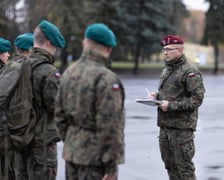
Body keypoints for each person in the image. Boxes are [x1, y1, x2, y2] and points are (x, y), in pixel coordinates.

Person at [54, 23, 125, 180]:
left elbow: (59, 115)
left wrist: (73, 141)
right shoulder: (106, 78)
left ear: (84, 44)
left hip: (72, 154)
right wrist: (111, 166)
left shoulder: (68, 73)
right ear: (108, 49)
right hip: (95, 160)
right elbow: (110, 125)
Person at [148, 35, 205, 180]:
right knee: (170, 167)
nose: (165, 52)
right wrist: (157, 97)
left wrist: (171, 106)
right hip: (165, 128)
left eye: (168, 49)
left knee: (184, 171)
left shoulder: (190, 72)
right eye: (163, 49)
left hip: (181, 130)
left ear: (179, 51)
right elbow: (171, 94)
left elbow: (197, 99)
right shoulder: (167, 70)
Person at [14, 20, 65, 180]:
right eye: (55, 46)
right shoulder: (48, 71)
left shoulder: (16, 67)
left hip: (19, 142)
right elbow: (59, 109)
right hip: (41, 146)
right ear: (49, 43)